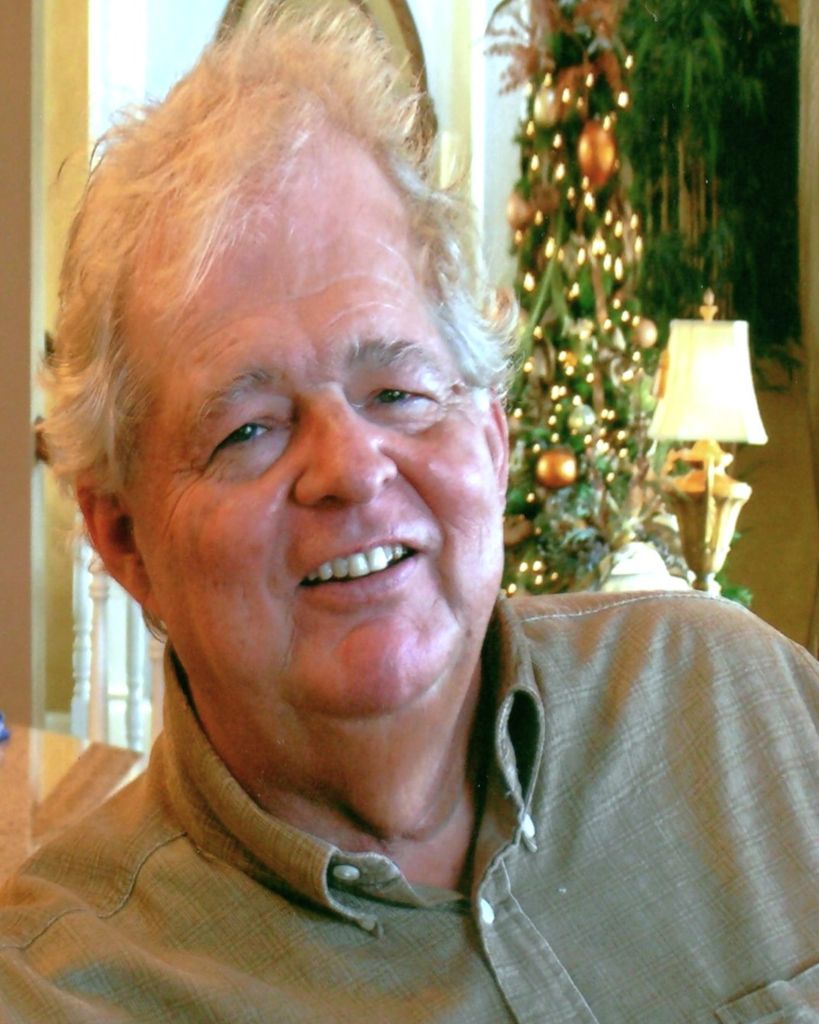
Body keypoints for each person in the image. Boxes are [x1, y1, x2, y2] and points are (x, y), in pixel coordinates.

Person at [1, 3, 817, 1021]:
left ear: (493, 439)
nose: (350, 468)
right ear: (124, 541)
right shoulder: (61, 990)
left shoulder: (739, 705)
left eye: (397, 391)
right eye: (247, 429)